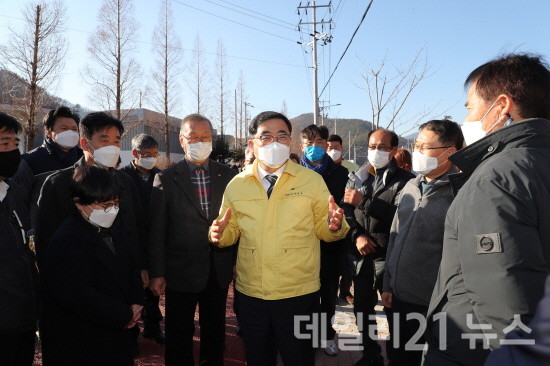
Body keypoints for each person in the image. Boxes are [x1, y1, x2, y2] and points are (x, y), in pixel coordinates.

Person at [423, 53, 550, 365]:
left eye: (471, 107)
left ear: (502, 106)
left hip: (472, 350)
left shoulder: (496, 178)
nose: (467, 119)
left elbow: (505, 307)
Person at [209, 111, 349, 366]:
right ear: (252, 144)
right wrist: (218, 235)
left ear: (291, 142)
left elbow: (326, 229)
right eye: (266, 136)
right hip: (252, 294)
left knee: (300, 358)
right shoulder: (237, 184)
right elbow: (229, 231)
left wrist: (335, 226)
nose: (274, 142)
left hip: (299, 293)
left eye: (281, 136)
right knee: (258, 358)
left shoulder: (311, 181)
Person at [148, 113, 237, 365]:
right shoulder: (166, 178)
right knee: (178, 334)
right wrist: (157, 272)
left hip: (217, 268)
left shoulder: (228, 175)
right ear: (182, 140)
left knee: (215, 333)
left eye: (206, 137)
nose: (200, 141)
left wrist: (236, 260)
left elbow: (239, 223)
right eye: (194, 137)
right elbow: (157, 230)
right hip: (180, 271)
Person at [39, 165, 144, 366]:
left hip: (116, 335)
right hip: (82, 340)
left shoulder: (115, 230)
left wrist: (137, 302)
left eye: (115, 203)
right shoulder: (66, 240)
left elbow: (131, 267)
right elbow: (78, 295)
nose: (111, 210)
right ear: (79, 204)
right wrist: (123, 315)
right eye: (104, 206)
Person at [381, 120, 463, 366]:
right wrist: (387, 283)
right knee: (398, 356)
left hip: (434, 304)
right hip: (398, 297)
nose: (417, 152)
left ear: (451, 151)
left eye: (425, 147)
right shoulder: (410, 186)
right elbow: (395, 235)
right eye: (416, 145)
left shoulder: (461, 192)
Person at [343, 128, 414, 366]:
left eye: (382, 147)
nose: (376, 151)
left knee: (394, 314)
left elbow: (401, 217)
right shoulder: (357, 176)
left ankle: (396, 359)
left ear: (394, 150)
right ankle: (370, 355)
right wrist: (356, 237)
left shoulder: (406, 181)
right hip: (361, 255)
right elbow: (346, 213)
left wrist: (364, 201)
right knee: (362, 312)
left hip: (389, 257)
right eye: (372, 146)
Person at [300, 124, 349, 356]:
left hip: (330, 245)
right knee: (301, 295)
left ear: (326, 144)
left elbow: (346, 208)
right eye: (309, 143)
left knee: (327, 294)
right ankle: (304, 337)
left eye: (319, 143)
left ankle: (327, 334)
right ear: (301, 146)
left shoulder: (340, 174)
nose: (314, 148)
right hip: (299, 245)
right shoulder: (291, 172)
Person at [0, 112, 38, 366]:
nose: (13, 151)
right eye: (4, 143)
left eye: (16, 144)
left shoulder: (14, 193)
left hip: (21, 319)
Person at [119, 133, 164, 344]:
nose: (151, 158)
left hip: (155, 240)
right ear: (135, 153)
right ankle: (130, 333)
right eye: (146, 154)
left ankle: (153, 327)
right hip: (131, 240)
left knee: (154, 291)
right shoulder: (123, 176)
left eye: (154, 154)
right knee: (132, 289)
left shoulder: (161, 176)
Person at [12, 106, 83, 225]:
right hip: (44, 233)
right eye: (64, 128)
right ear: (49, 132)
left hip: (80, 232)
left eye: (74, 129)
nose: (70, 133)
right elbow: (19, 201)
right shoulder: (30, 161)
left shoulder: (85, 160)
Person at [327, 133, 360, 304]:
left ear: (342, 148)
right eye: (329, 147)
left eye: (336, 147)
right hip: (327, 220)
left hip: (348, 216)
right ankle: (330, 289)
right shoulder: (322, 168)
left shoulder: (351, 167)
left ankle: (345, 289)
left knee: (348, 257)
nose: (333, 150)